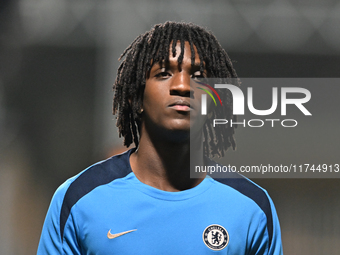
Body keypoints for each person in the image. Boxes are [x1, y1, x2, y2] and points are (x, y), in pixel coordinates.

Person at [37, 21, 283, 254]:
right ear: (135, 97)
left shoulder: (252, 208)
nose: (183, 86)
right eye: (164, 73)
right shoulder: (78, 199)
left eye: (198, 76)